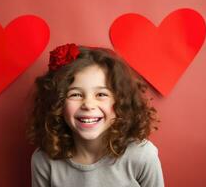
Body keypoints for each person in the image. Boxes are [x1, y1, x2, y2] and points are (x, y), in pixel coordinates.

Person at [26, 43, 164, 187]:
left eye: (101, 94)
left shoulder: (141, 156)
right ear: (57, 103)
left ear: (120, 102)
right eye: (76, 94)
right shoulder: (43, 161)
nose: (88, 104)